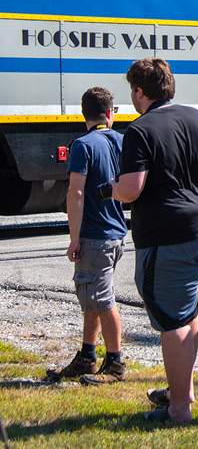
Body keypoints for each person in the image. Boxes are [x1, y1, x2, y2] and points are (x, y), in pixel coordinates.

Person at [109, 58, 198, 424]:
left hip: (171, 237)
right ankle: (184, 389)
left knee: (173, 320)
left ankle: (178, 410)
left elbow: (132, 190)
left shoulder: (140, 130)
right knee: (189, 311)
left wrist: (112, 189)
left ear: (139, 92)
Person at [47, 87, 128, 385]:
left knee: (102, 298)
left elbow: (76, 192)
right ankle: (86, 357)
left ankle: (116, 363)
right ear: (110, 113)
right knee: (94, 295)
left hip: (95, 235)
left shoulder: (83, 145)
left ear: (85, 115)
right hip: (116, 233)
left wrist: (74, 237)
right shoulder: (121, 141)